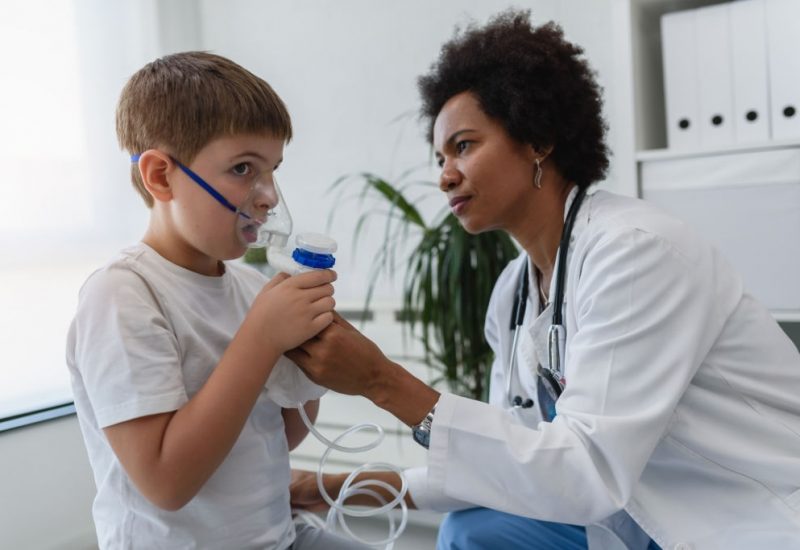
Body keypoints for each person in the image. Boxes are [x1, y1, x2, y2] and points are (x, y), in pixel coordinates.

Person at [287, 10, 800, 550]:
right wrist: (330, 487)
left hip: (750, 519)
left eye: (463, 146)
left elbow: (584, 472)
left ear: (538, 139)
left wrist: (380, 381)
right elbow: (516, 462)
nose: (444, 176)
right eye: (439, 156)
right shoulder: (514, 293)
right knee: (472, 531)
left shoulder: (635, 253)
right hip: (638, 519)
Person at [66, 51, 368, 549]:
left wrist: (309, 366)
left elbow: (276, 438)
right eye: (243, 167)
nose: (268, 196)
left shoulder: (251, 290)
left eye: (272, 170)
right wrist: (263, 338)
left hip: (277, 536)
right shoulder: (122, 296)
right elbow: (167, 483)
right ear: (161, 176)